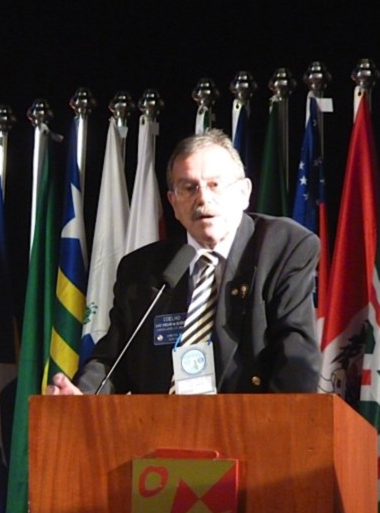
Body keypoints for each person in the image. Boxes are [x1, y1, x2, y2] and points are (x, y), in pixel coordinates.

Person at [48, 128, 321, 395]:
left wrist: (277, 422)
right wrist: (82, 396)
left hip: (250, 421)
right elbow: (113, 359)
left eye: (215, 185)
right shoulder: (142, 268)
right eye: (189, 188)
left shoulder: (282, 248)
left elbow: (296, 359)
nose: (203, 198)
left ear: (243, 193)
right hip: (158, 422)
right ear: (173, 203)